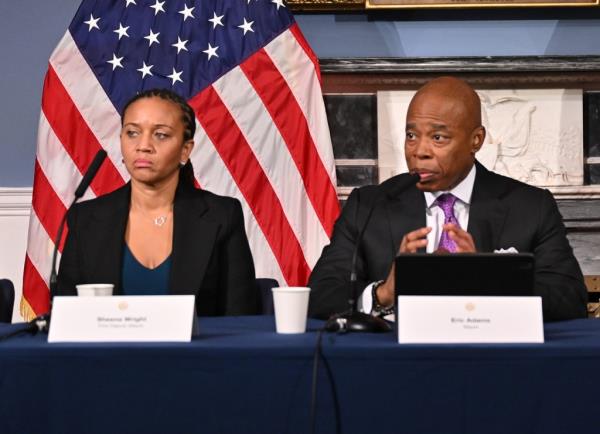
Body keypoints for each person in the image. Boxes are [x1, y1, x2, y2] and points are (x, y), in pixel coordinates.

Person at [308, 76, 587, 322]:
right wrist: (384, 293)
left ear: (475, 141)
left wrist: (489, 279)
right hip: (398, 363)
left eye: (438, 137)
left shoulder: (530, 207)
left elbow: (569, 298)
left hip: (494, 362)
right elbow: (321, 293)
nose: (419, 151)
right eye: (411, 135)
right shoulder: (369, 206)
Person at [57, 88, 258, 315]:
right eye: (132, 133)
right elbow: (67, 317)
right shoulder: (85, 219)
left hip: (197, 351)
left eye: (160, 135)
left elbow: (241, 320)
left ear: (185, 150)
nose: (143, 146)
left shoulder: (221, 216)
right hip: (106, 351)